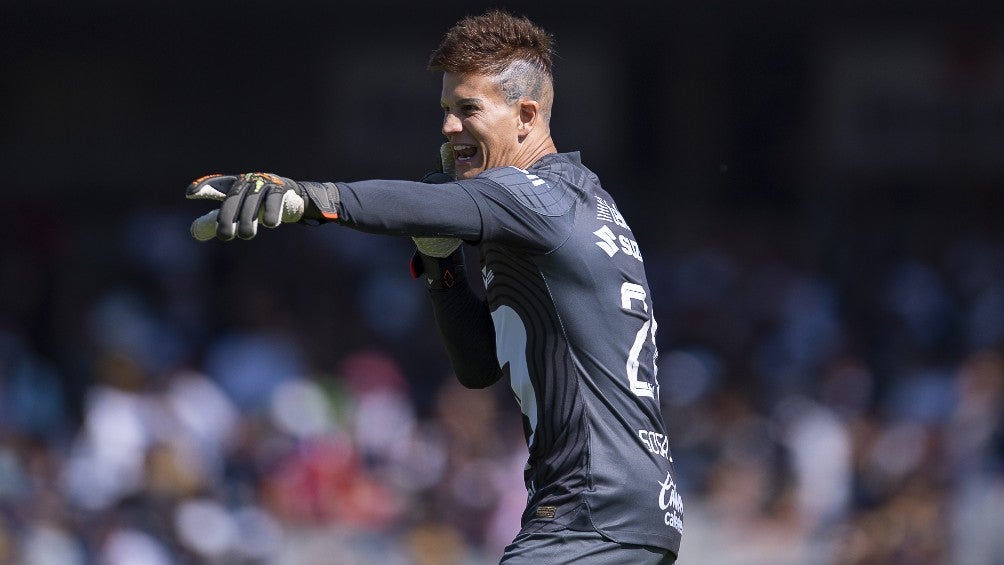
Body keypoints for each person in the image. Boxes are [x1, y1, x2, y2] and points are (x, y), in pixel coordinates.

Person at [185, 9, 682, 564]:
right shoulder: (572, 201)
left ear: (525, 116)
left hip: (589, 516)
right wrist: (440, 260)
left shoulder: (531, 195)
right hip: (626, 516)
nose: (448, 127)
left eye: (469, 109)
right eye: (446, 109)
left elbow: (420, 203)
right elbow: (478, 367)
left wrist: (305, 196)